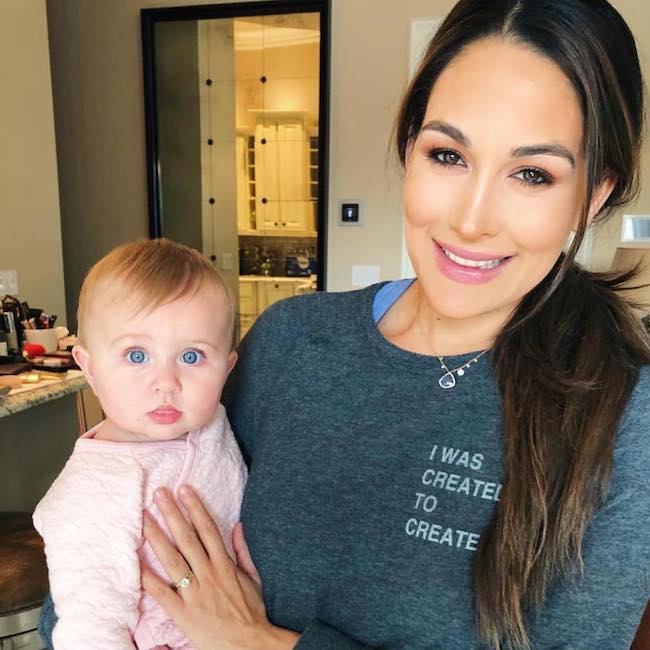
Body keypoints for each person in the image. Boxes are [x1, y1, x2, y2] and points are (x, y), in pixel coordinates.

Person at [39, 0, 650, 647]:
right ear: (410, 148)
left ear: (595, 192)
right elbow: (89, 582)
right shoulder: (293, 342)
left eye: (532, 173)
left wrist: (261, 642)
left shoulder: (625, 415)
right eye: (447, 155)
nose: (473, 219)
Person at [33, 239, 247, 649]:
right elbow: (90, 624)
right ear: (89, 369)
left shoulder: (211, 423)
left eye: (191, 357)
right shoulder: (89, 494)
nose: (166, 382)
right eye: (136, 356)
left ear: (227, 369)